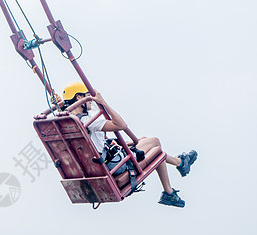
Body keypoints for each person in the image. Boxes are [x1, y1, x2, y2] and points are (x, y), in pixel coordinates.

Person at [60, 82, 197, 208]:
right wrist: (104, 103)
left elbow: (81, 109)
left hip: (97, 162)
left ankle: (178, 169)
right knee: (155, 144)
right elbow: (121, 125)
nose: (90, 99)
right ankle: (173, 181)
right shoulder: (88, 121)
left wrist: (61, 103)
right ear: (79, 98)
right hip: (112, 164)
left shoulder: (66, 121)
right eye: (87, 96)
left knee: (143, 140)